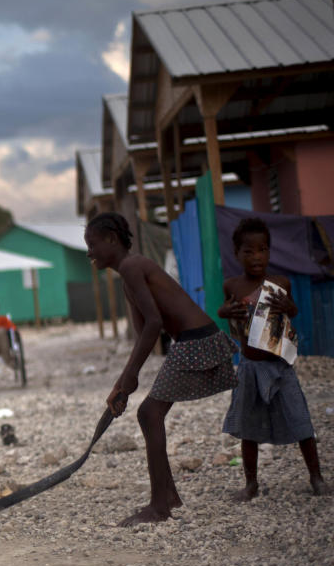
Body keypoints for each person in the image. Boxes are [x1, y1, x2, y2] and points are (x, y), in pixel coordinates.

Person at [84, 213, 237, 526]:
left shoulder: (131, 266)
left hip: (197, 341)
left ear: (112, 239)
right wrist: (122, 384)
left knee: (149, 414)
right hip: (192, 341)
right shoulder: (128, 277)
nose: (89, 253)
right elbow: (143, 334)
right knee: (148, 413)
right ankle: (168, 496)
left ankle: (159, 506)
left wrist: (131, 376)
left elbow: (154, 323)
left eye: (93, 244)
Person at [217, 217, 328, 500]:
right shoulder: (232, 286)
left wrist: (289, 306)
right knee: (248, 427)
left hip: (279, 364)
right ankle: (251, 484)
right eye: (249, 251)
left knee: (300, 419)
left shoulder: (280, 283)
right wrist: (224, 313)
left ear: (270, 251)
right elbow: (231, 321)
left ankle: (316, 478)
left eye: (262, 249)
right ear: (236, 254)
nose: (256, 257)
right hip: (250, 366)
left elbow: (292, 314)